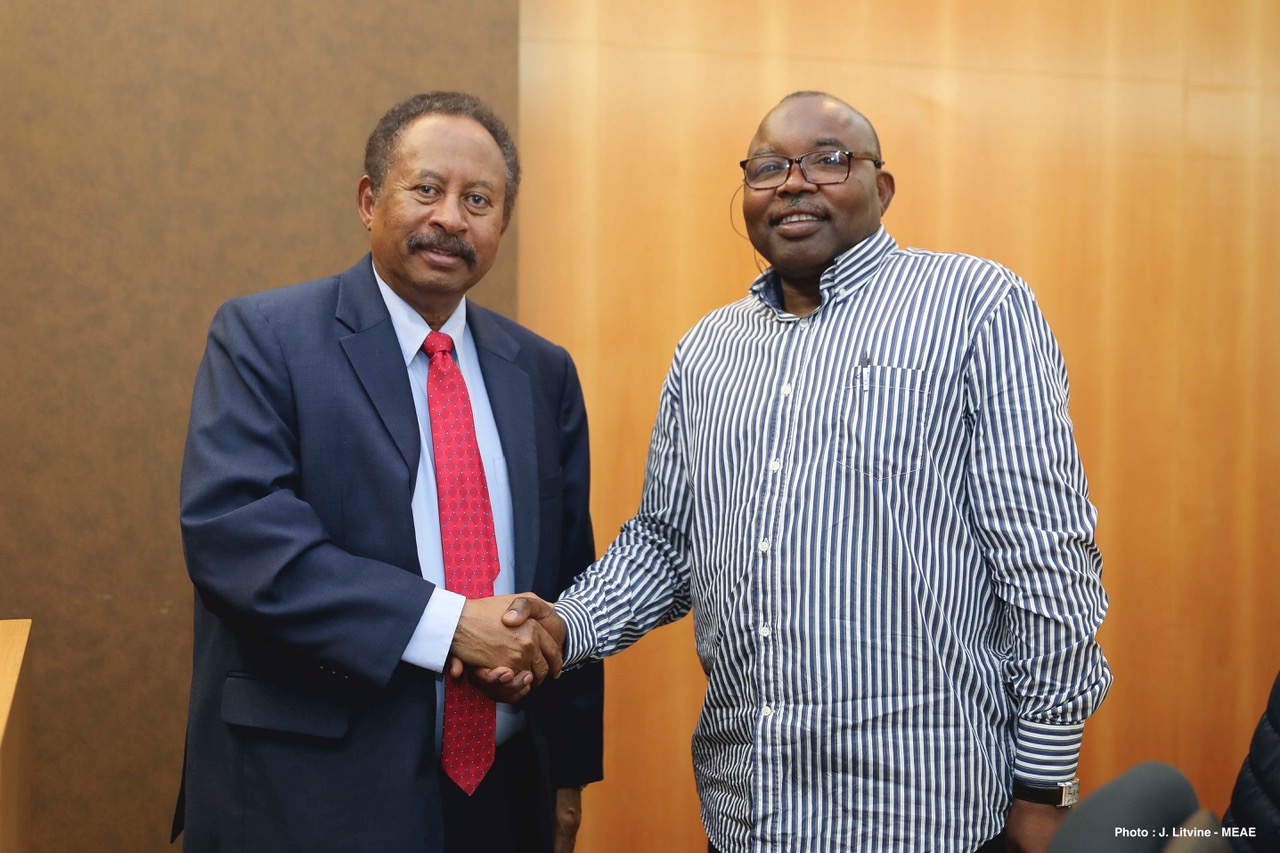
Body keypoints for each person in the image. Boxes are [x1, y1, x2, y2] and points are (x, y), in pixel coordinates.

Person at [502, 91, 1112, 853]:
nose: (793, 182)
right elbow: (665, 545)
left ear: (881, 189)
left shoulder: (976, 307)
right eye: (767, 167)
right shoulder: (707, 351)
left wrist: (1046, 783)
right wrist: (562, 625)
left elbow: (1047, 558)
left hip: (932, 811)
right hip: (749, 813)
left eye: (829, 159)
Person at [173, 91, 603, 853]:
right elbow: (239, 539)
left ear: (501, 224)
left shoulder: (541, 371)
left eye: (479, 199)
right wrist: (450, 628)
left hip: (502, 796)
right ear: (370, 200)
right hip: (312, 795)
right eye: (426, 189)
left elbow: (569, 575)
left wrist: (567, 773)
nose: (450, 218)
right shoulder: (265, 338)